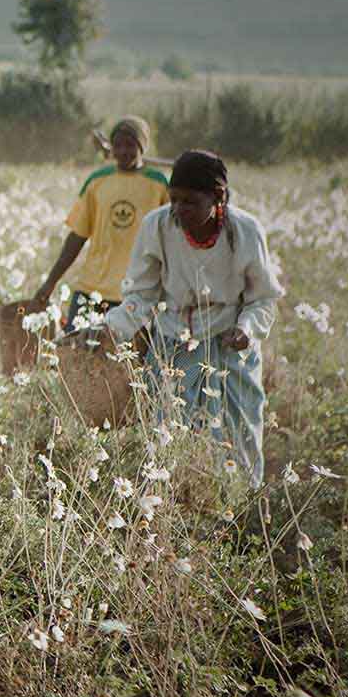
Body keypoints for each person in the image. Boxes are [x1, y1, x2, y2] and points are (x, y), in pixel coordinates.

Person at [102, 150, 282, 487]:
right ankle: (172, 505)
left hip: (230, 346)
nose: (180, 210)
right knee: (167, 434)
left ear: (218, 197)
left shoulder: (245, 231)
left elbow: (263, 300)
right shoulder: (157, 226)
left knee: (237, 432)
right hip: (174, 343)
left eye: (190, 202)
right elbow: (141, 294)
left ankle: (240, 506)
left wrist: (246, 330)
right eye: (174, 200)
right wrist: (113, 328)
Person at [33, 116, 170, 331]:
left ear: (142, 147)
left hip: (137, 293)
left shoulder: (159, 185)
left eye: (130, 145)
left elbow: (171, 242)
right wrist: (51, 281)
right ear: (111, 148)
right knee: (74, 354)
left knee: (125, 361)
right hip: (92, 287)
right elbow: (77, 237)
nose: (124, 152)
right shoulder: (97, 181)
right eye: (118, 145)